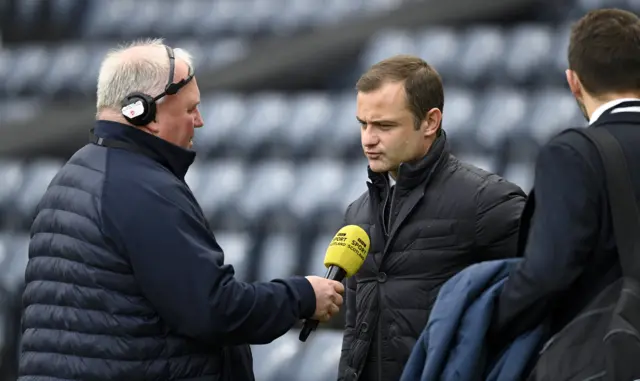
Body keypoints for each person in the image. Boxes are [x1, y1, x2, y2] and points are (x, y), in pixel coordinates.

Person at [18, 38, 344, 381]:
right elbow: (213, 310)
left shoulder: (75, 173)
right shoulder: (141, 189)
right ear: (143, 110)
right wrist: (302, 296)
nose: (199, 121)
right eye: (191, 109)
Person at [337, 55, 526, 381]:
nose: (368, 139)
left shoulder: (487, 201)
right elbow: (354, 334)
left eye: (384, 125)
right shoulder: (357, 213)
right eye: (363, 124)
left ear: (430, 122)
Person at [492, 7, 640, 364]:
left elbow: (548, 273)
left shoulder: (572, 154)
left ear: (573, 81)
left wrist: (488, 321)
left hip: (608, 357)